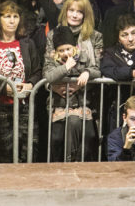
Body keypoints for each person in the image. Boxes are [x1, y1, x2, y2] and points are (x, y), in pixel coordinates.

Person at [0, 0, 42, 163]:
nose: (12, 20)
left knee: (28, 151)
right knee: (5, 151)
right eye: (7, 16)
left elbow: (37, 70)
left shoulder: (27, 43)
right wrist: (5, 89)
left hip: (25, 105)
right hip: (2, 107)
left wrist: (30, 84)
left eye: (15, 16)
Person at [43, 25, 100, 162]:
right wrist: (65, 67)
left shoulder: (83, 57)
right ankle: (59, 166)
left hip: (81, 104)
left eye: (68, 49)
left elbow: (96, 70)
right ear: (56, 51)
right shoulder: (52, 61)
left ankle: (81, 165)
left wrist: (87, 72)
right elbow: (48, 76)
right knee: (57, 138)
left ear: (75, 47)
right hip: (60, 106)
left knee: (89, 136)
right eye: (61, 50)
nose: (65, 53)